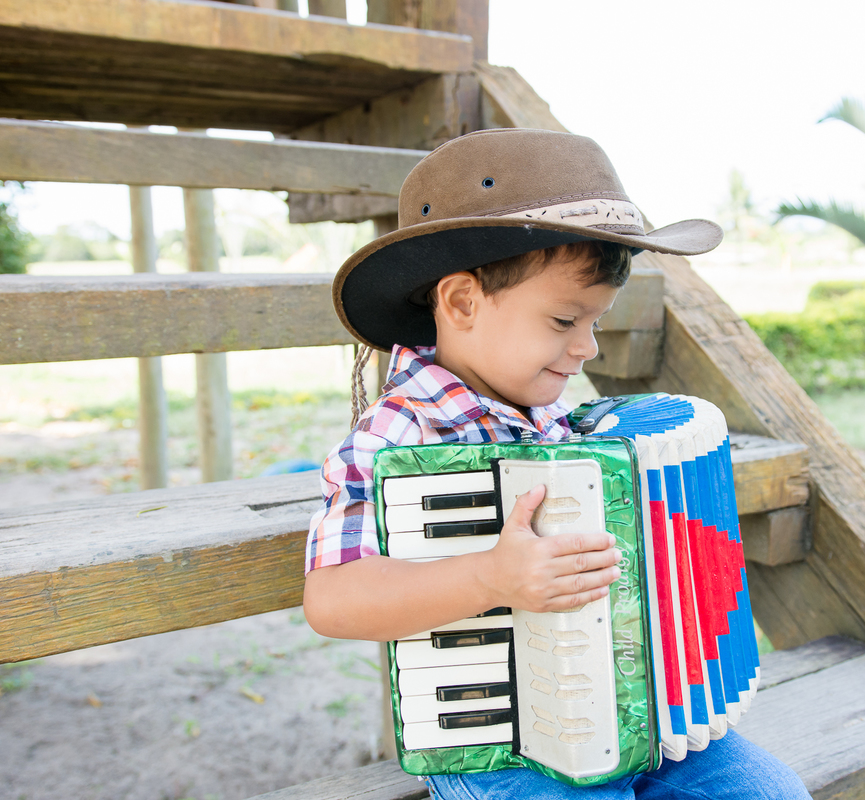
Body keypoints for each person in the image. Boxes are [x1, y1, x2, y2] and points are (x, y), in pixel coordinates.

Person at [304, 128, 811, 800]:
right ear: (461, 303)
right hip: (502, 737)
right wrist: (491, 575)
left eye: (596, 321)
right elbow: (333, 600)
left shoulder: (561, 423)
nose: (587, 348)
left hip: (636, 710)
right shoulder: (403, 433)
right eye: (565, 320)